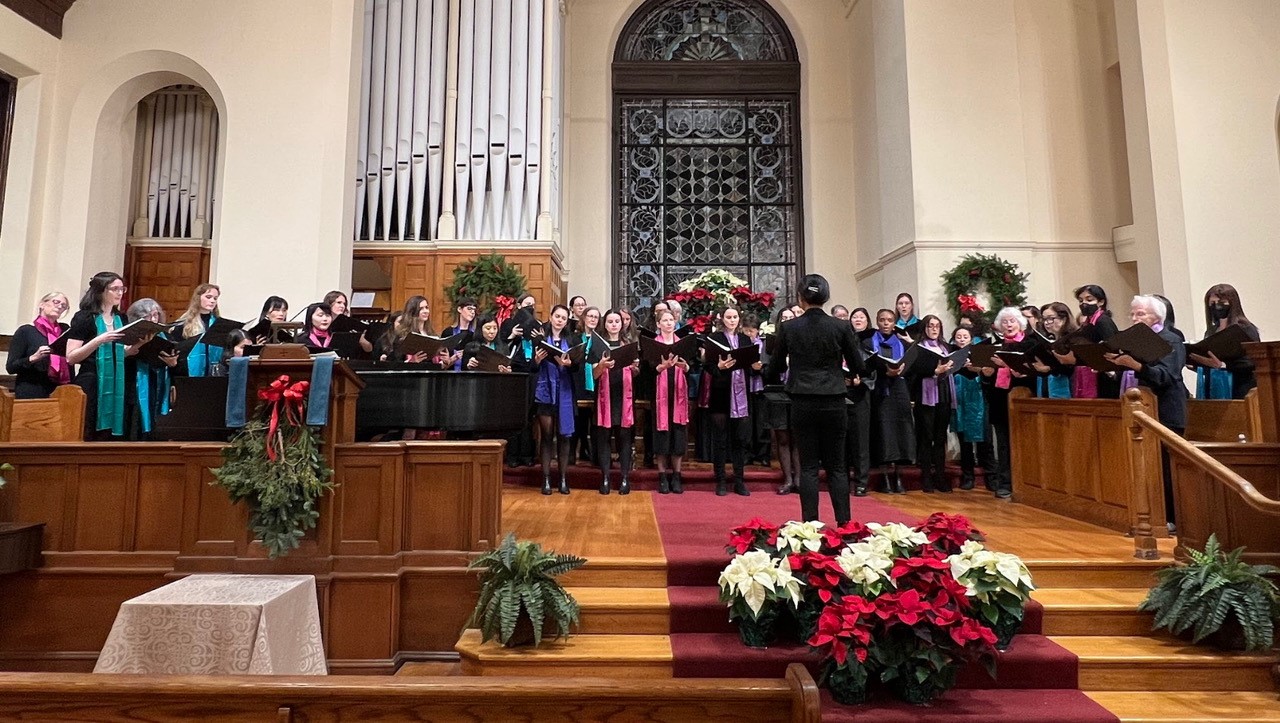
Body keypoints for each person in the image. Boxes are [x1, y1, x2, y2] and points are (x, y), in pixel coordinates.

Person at [767, 274, 865, 525]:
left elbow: (776, 367)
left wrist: (763, 371)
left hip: (802, 401)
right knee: (837, 467)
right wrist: (854, 374)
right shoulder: (841, 326)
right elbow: (858, 365)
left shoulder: (789, 327)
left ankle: (810, 527)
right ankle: (844, 526)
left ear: (801, 298)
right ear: (826, 297)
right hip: (834, 400)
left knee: (809, 467)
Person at [1106, 295, 1188, 525]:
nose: (1134, 318)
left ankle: (1171, 518)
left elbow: (1167, 375)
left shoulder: (1170, 340)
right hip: (1139, 407)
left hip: (1165, 410)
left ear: (1157, 317)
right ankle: (1145, 514)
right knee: (1141, 466)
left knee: (1164, 468)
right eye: (1132, 314)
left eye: (1140, 314)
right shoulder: (1132, 340)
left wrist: (1136, 366)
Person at [65, 272, 147, 439]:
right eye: (114, 289)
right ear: (101, 291)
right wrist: (99, 340)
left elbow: (117, 353)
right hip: (92, 380)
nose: (120, 293)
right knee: (89, 430)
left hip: (117, 381)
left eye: (122, 289)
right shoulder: (84, 317)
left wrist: (133, 348)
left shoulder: (120, 318)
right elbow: (71, 357)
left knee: (112, 435)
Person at [981, 307, 1037, 499]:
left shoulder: (1030, 344)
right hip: (999, 400)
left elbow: (1033, 374)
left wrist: (1011, 366)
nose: (1008, 325)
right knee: (1003, 444)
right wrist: (986, 374)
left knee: (1023, 442)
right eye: (1004, 322)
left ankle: (1026, 482)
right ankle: (1005, 482)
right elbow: (988, 379)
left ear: (1020, 323)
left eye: (1012, 321)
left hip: (1022, 399)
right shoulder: (994, 346)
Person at [705, 306, 760, 496]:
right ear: (722, 319)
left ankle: (739, 480)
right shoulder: (714, 339)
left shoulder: (745, 339)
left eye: (735, 317)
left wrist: (756, 366)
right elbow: (708, 367)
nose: (732, 320)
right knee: (720, 440)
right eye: (729, 317)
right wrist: (719, 366)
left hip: (742, 393)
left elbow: (751, 367)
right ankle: (720, 480)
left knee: (740, 440)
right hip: (721, 392)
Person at [592, 309, 640, 495]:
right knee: (604, 437)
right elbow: (594, 375)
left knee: (624, 438)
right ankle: (605, 477)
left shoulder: (628, 344)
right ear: (605, 324)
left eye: (617, 321)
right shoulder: (597, 345)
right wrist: (602, 366)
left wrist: (635, 368)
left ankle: (625, 478)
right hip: (605, 395)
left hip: (624, 395)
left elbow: (636, 372)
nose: (613, 324)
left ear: (622, 324)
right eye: (610, 321)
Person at [867, 308, 914, 494]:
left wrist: (901, 370)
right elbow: (867, 366)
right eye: (882, 320)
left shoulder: (902, 343)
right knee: (885, 431)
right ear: (877, 322)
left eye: (889, 320)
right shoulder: (869, 342)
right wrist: (883, 371)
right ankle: (885, 477)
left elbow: (913, 364)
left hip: (899, 389)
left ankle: (899, 476)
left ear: (894, 323)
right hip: (881, 389)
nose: (886, 323)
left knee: (902, 430)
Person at [909, 315, 956, 493]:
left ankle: (940, 476)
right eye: (930, 326)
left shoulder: (946, 347)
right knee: (927, 437)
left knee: (940, 437)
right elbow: (912, 372)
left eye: (937, 326)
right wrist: (934, 371)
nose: (934, 329)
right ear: (924, 328)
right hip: (926, 396)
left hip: (943, 394)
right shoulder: (918, 348)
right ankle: (927, 477)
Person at [535, 305, 578, 495]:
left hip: (565, 391)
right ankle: (545, 479)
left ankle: (562, 478)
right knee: (546, 436)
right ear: (551, 317)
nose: (560, 320)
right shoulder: (540, 338)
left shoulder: (572, 339)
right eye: (557, 316)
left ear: (567, 321)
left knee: (564, 437)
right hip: (545, 391)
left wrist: (570, 364)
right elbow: (530, 365)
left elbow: (577, 367)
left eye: (563, 318)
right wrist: (535, 360)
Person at [1190, 284, 1260, 399]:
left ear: (1232, 304)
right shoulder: (1211, 330)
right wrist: (1197, 364)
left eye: (1221, 303)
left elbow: (1252, 361)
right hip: (1215, 387)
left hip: (1240, 387)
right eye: (1212, 303)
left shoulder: (1245, 328)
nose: (1217, 306)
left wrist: (1223, 365)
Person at [650, 307, 692, 494]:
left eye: (671, 320)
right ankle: (662, 477)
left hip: (679, 396)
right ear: (658, 324)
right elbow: (647, 371)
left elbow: (691, 367)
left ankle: (676, 476)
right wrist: (661, 366)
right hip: (660, 397)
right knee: (662, 436)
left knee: (678, 436)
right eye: (665, 320)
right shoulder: (653, 344)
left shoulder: (682, 344)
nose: (668, 323)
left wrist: (687, 366)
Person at [124, 298, 179, 438]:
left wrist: (173, 363)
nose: (153, 319)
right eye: (147, 316)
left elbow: (172, 359)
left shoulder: (165, 335)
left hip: (159, 381)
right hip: (137, 382)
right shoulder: (131, 335)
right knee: (138, 419)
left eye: (155, 315)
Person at [1056, 284, 1119, 399]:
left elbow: (1111, 345)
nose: (1083, 304)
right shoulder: (1090, 322)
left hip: (1108, 372)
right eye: (1080, 300)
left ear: (1101, 302)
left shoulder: (1103, 321)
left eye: (1089, 299)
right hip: (1097, 370)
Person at [763, 306, 801, 494]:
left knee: (798, 437)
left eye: (790, 317)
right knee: (783, 437)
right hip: (778, 392)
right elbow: (766, 370)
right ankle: (787, 479)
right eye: (783, 318)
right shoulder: (772, 342)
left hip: (798, 392)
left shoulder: (802, 338)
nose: (787, 320)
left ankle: (799, 479)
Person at [950, 326, 993, 490]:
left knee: (985, 441)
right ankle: (968, 477)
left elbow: (987, 377)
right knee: (964, 444)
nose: (961, 339)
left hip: (977, 400)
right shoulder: (951, 355)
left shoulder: (979, 354)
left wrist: (976, 368)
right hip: (959, 402)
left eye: (965, 336)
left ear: (971, 338)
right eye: (958, 336)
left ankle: (991, 476)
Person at [7, 292, 72, 399]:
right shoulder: (26, 331)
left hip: (61, 390)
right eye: (56, 302)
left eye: (64, 306)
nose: (60, 306)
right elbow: (11, 367)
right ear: (42, 304)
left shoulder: (64, 331)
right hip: (32, 388)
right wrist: (33, 358)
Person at [843, 309, 872, 496]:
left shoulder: (866, 350)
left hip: (860, 397)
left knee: (861, 442)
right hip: (840, 397)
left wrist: (860, 381)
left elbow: (871, 373)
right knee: (841, 441)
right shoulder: (837, 353)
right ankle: (842, 479)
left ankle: (861, 482)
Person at [170, 284, 224, 377]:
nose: (212, 301)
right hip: (188, 371)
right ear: (198, 298)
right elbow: (176, 349)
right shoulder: (184, 323)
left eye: (215, 298)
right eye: (208, 297)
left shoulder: (219, 323)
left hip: (214, 371)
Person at [572, 306, 602, 464]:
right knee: (578, 420)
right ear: (583, 318)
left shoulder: (600, 339)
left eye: (596, 317)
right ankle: (576, 452)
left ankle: (595, 455)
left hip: (596, 383)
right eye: (589, 316)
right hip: (579, 381)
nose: (592, 319)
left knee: (596, 422)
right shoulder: (575, 338)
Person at [1031, 302, 1077, 399]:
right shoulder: (1047, 340)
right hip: (1046, 389)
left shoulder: (1073, 340)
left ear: (1064, 319)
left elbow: (1072, 369)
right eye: (1044, 319)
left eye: (1051, 318)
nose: (1047, 322)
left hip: (1066, 391)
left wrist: (1049, 369)